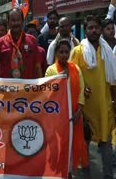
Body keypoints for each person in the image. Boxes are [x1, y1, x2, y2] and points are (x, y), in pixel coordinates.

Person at [71, 15, 116, 179]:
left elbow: (113, 81)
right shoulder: (78, 52)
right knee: (84, 145)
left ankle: (108, 176)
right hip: (85, 108)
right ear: (86, 31)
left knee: (106, 144)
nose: (94, 30)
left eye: (96, 27)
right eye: (90, 27)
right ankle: (85, 176)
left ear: (101, 30)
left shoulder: (108, 52)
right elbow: (72, 77)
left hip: (105, 106)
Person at [45, 39, 89, 177]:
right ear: (56, 53)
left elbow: (81, 90)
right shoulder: (51, 70)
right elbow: (47, 94)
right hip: (58, 118)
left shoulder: (75, 69)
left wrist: (79, 111)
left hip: (75, 116)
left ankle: (69, 173)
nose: (64, 55)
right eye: (61, 52)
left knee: (72, 148)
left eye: (66, 52)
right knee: (59, 147)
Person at [0, 8, 42, 79]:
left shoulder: (32, 41)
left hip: (27, 88)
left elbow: (37, 68)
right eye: (13, 20)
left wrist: (39, 88)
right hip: (7, 88)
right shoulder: (0, 43)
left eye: (18, 20)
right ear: (8, 22)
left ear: (22, 21)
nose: (16, 23)